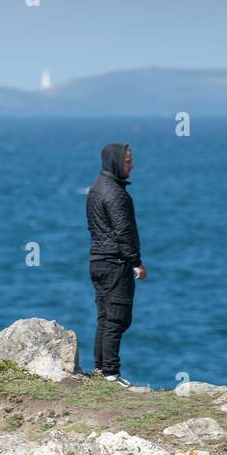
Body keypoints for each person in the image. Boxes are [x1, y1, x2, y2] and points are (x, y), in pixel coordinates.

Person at [86, 142, 147, 385]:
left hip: (98, 261)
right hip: (115, 263)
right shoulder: (116, 194)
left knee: (104, 317)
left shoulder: (96, 188)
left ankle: (101, 370)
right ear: (116, 162)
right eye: (128, 160)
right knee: (117, 319)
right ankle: (111, 373)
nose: (132, 165)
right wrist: (136, 262)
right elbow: (124, 233)